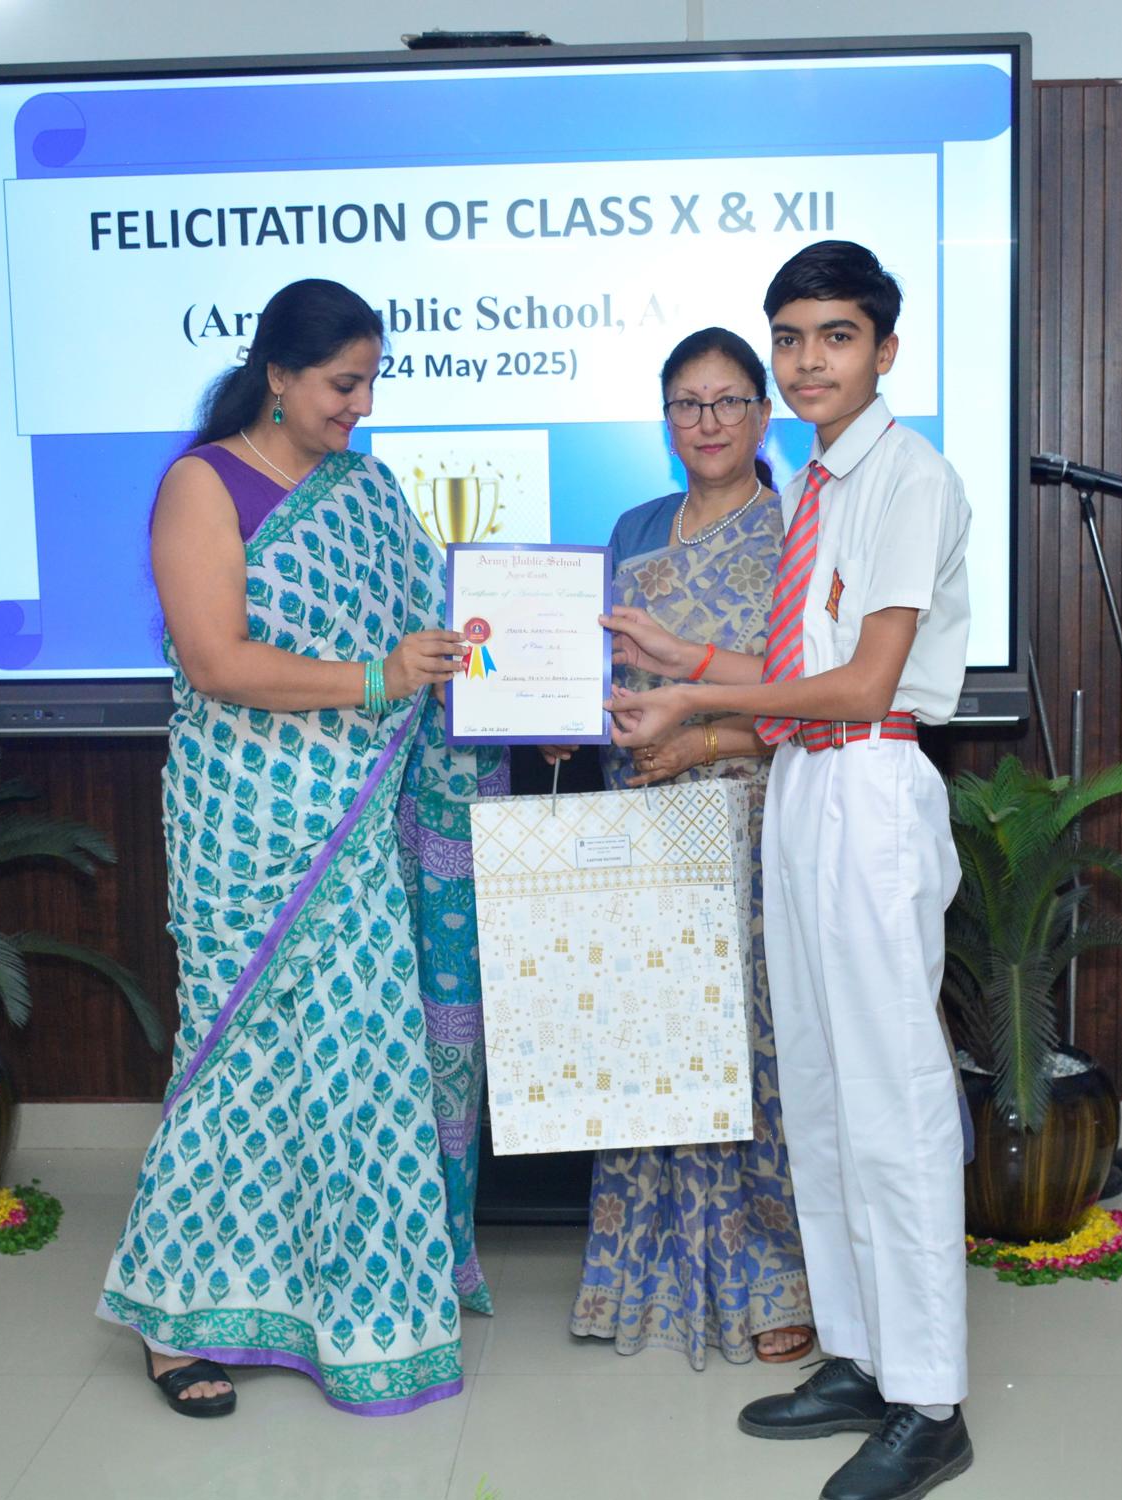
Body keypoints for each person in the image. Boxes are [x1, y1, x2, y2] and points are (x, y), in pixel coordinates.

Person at [605, 243, 975, 1500]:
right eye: (792, 338)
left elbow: (863, 683)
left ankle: (931, 1401)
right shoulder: (816, 479)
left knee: (892, 1098)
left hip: (870, 780)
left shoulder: (908, 478)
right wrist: (681, 654)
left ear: (885, 349)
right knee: (816, 1090)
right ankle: (861, 1358)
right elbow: (797, 663)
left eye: (836, 336)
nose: (809, 360)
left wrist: (693, 698)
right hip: (804, 787)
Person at [100, 278, 505, 1419]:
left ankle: (357, 1309)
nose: (360, 407)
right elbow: (217, 661)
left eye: (371, 384)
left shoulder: (367, 491)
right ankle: (177, 1323)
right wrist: (375, 680)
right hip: (246, 826)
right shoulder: (203, 484)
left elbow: (433, 644)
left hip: (359, 830)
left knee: (359, 1064)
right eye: (342, 383)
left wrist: (509, 688)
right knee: (235, 1066)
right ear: (277, 374)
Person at [550, 327, 816, 1370]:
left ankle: (773, 1279)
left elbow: (816, 698)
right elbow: (605, 675)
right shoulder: (634, 528)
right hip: (643, 827)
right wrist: (560, 716)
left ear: (762, 414)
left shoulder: (796, 532)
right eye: (686, 405)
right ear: (665, 421)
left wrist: (701, 740)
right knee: (649, 1048)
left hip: (751, 823)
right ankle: (639, 1268)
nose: (707, 423)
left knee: (754, 1058)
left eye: (728, 401)